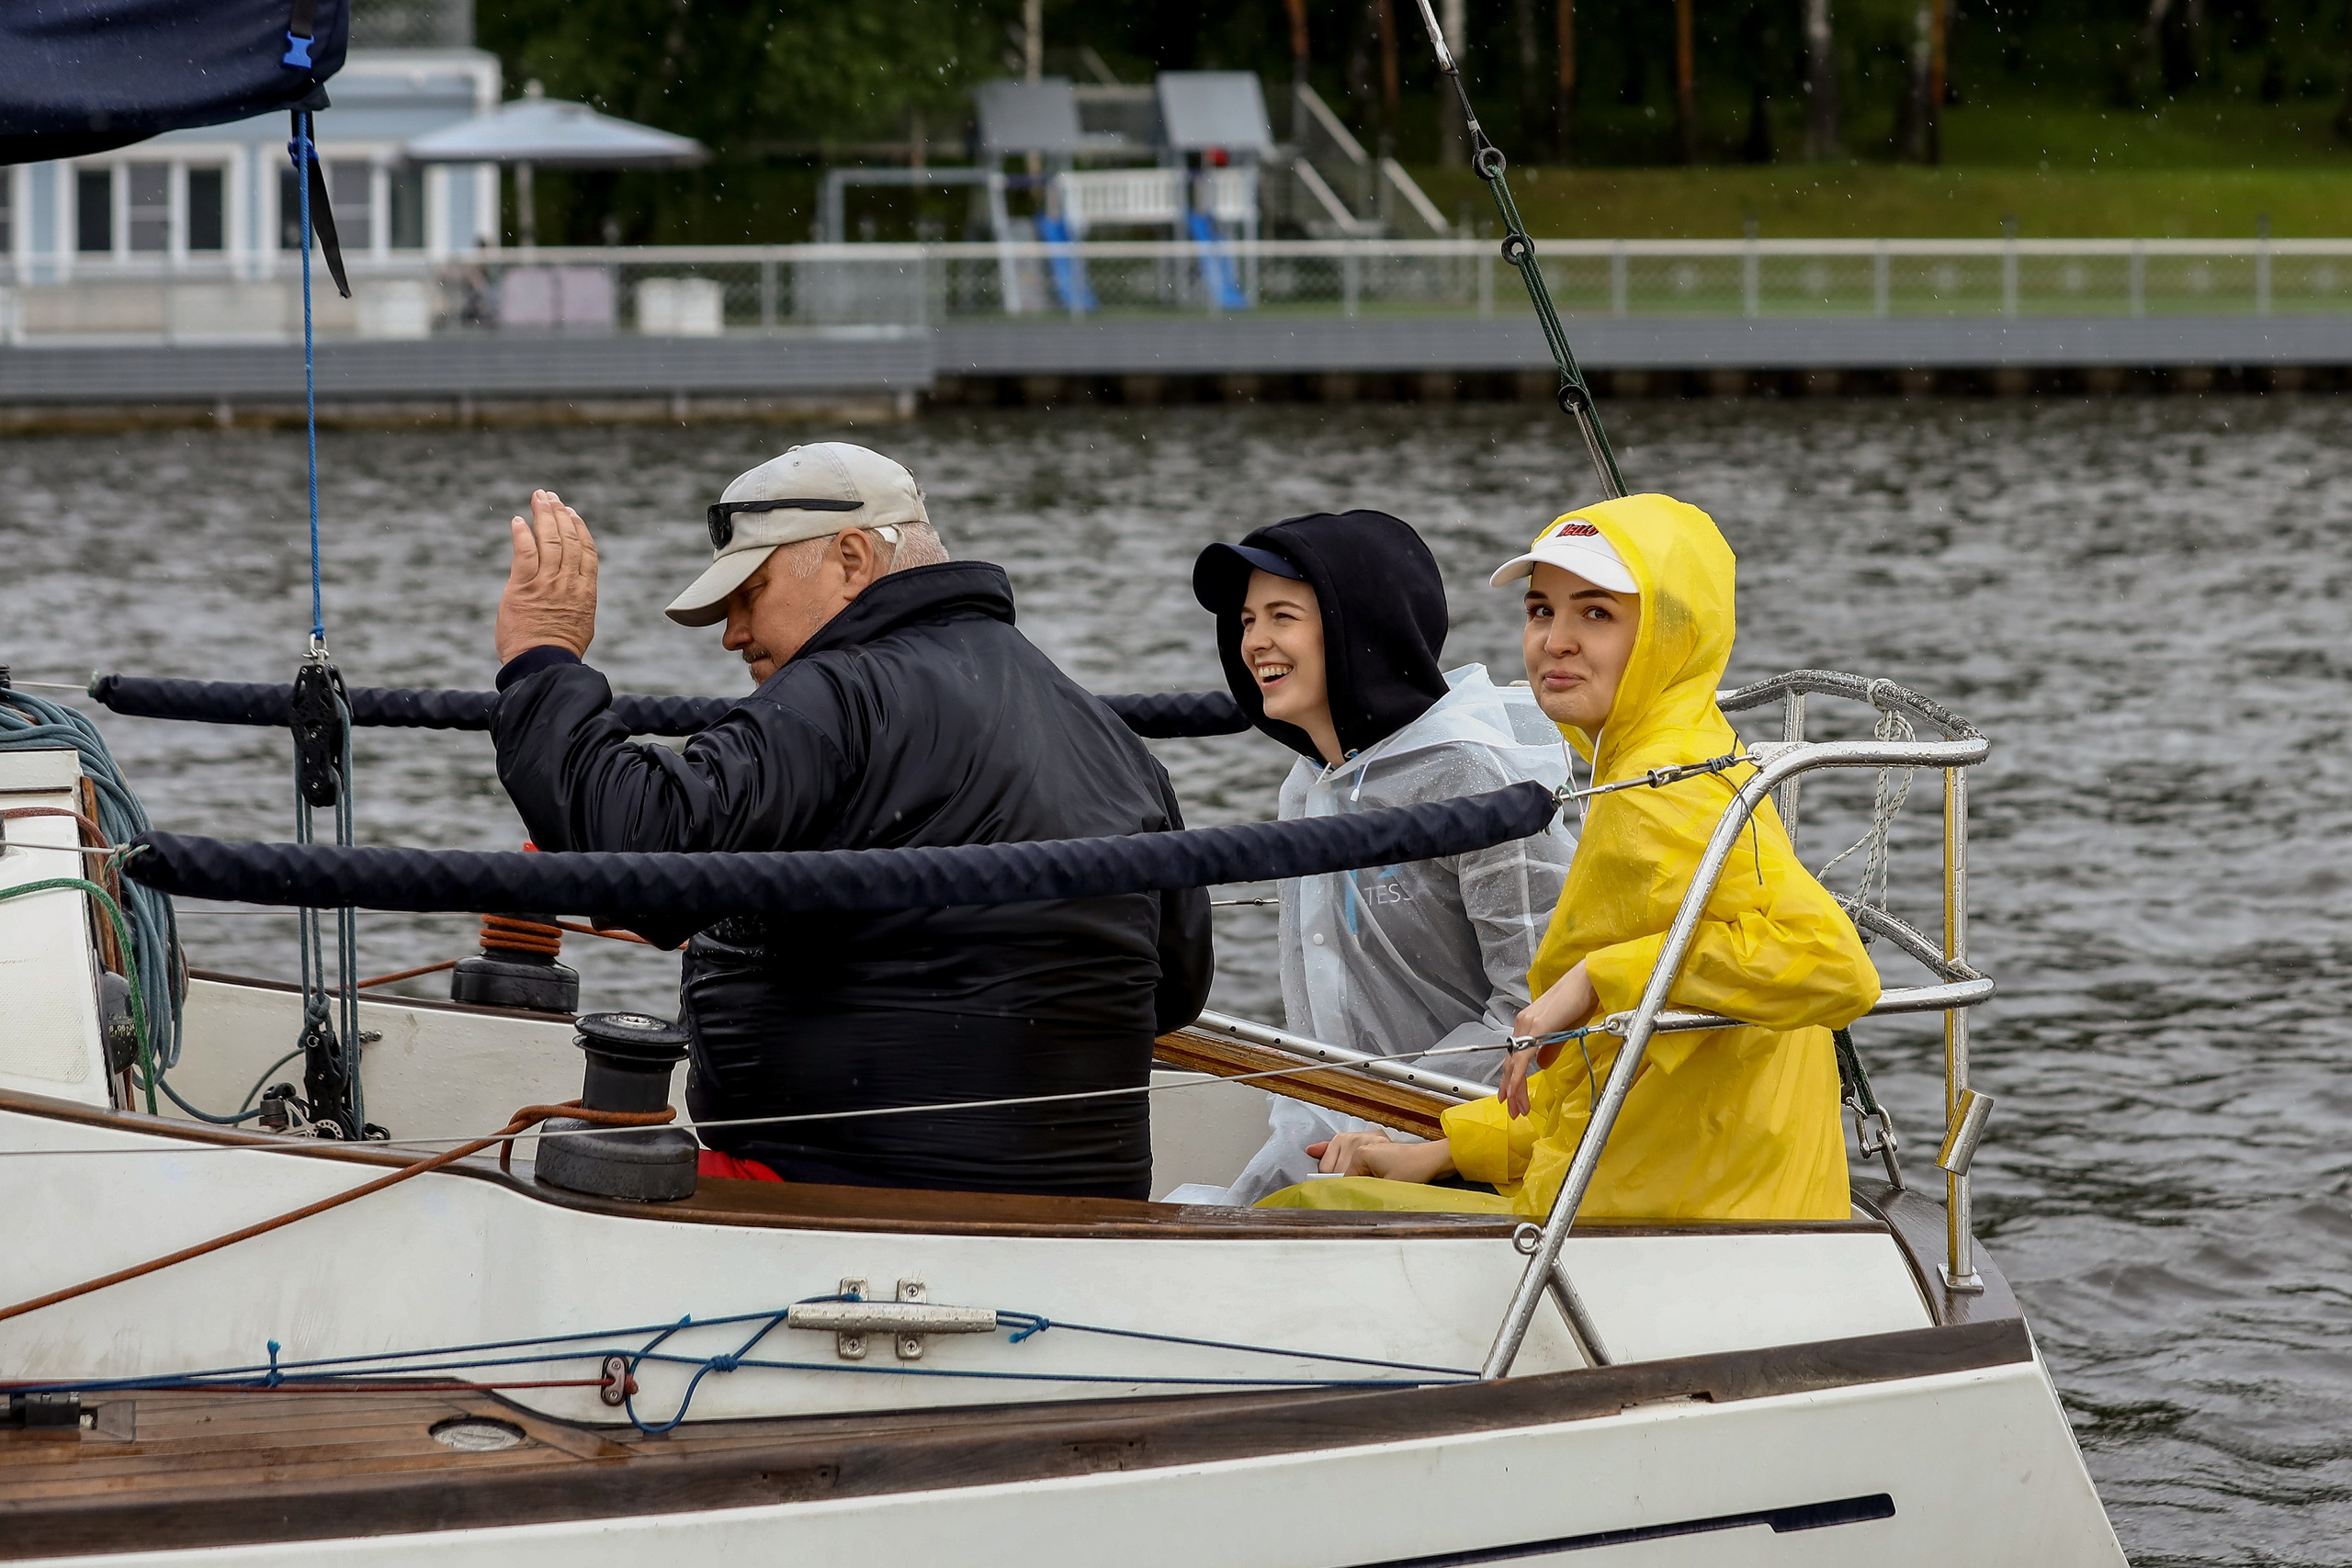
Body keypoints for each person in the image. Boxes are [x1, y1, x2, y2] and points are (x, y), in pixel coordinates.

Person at [488, 441, 1214, 1201]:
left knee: (530, 1186)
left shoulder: (840, 694)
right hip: (1093, 1218)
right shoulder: (1110, 736)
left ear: (852, 558)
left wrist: (542, 662)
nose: (733, 632)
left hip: (849, 1200)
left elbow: (643, 853)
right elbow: (1176, 989)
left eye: (750, 591)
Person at [1261, 494, 1881, 1223]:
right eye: (1540, 610)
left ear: (1667, 636)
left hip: (1672, 1216)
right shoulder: (1673, 753)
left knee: (1300, 1208)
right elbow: (1605, 1072)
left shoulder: (1662, 789)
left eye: (1596, 613)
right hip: (1674, 1183)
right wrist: (1442, 1148)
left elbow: (1832, 964)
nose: (1554, 639)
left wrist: (1596, 976)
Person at [1183, 510, 1575, 1207]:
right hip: (1348, 1137)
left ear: (1356, 627)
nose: (1256, 642)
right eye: (1247, 621)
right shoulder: (1308, 785)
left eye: (1283, 616)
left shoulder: (1472, 774)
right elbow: (1320, 1028)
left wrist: (1388, 1122)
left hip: (1467, 1148)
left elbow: (1535, 1002)